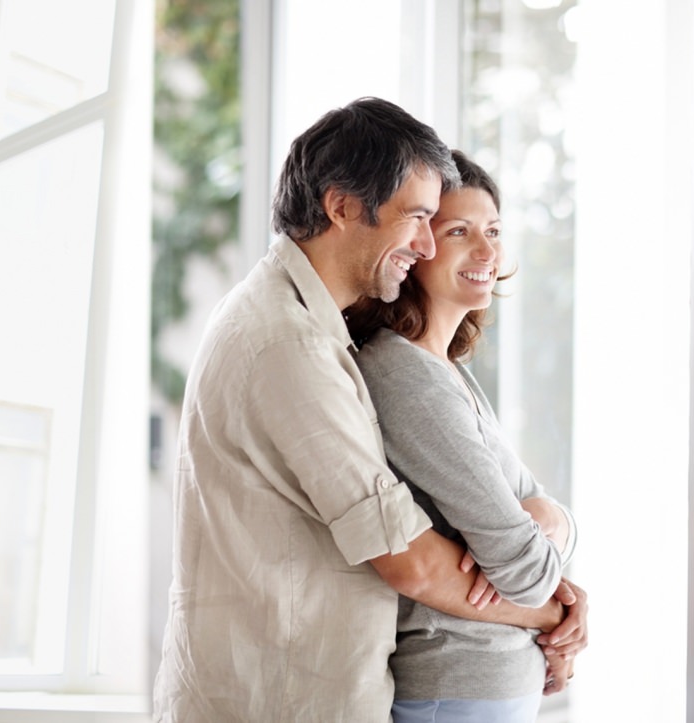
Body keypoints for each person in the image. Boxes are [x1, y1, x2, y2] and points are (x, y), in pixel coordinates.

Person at [152, 98, 585, 722]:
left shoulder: (312, 333)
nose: (423, 242)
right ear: (343, 206)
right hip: (275, 699)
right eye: (418, 219)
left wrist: (552, 549)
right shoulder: (288, 345)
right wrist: (556, 613)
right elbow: (409, 558)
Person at [343, 150, 581, 723]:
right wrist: (551, 592)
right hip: (456, 687)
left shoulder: (448, 371)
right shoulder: (404, 375)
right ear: (418, 247)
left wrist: (546, 516)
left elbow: (542, 528)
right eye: (460, 231)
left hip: (481, 689)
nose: (487, 251)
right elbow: (524, 571)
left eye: (494, 231)